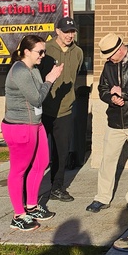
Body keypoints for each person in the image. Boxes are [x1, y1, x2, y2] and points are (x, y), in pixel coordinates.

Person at [2, 34, 62, 231]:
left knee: (42, 163)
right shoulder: (19, 71)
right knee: (19, 170)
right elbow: (37, 99)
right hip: (19, 126)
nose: (42, 55)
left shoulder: (32, 69)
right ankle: (18, 215)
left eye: (43, 51)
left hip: (35, 124)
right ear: (26, 52)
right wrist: (50, 80)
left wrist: (46, 79)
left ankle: (31, 206)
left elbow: (38, 96)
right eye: (39, 52)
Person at [87, 33, 128, 213]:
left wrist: (123, 94)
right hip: (114, 122)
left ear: (120, 50)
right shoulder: (109, 65)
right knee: (107, 161)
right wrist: (111, 98)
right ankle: (102, 197)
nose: (108, 59)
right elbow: (102, 88)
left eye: (110, 55)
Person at [40, 16, 83, 202]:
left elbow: (77, 73)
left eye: (72, 31)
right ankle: (31, 189)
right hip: (43, 109)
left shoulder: (78, 52)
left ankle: (57, 187)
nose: (70, 35)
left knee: (61, 152)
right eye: (66, 31)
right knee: (39, 153)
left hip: (65, 110)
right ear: (57, 31)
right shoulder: (46, 50)